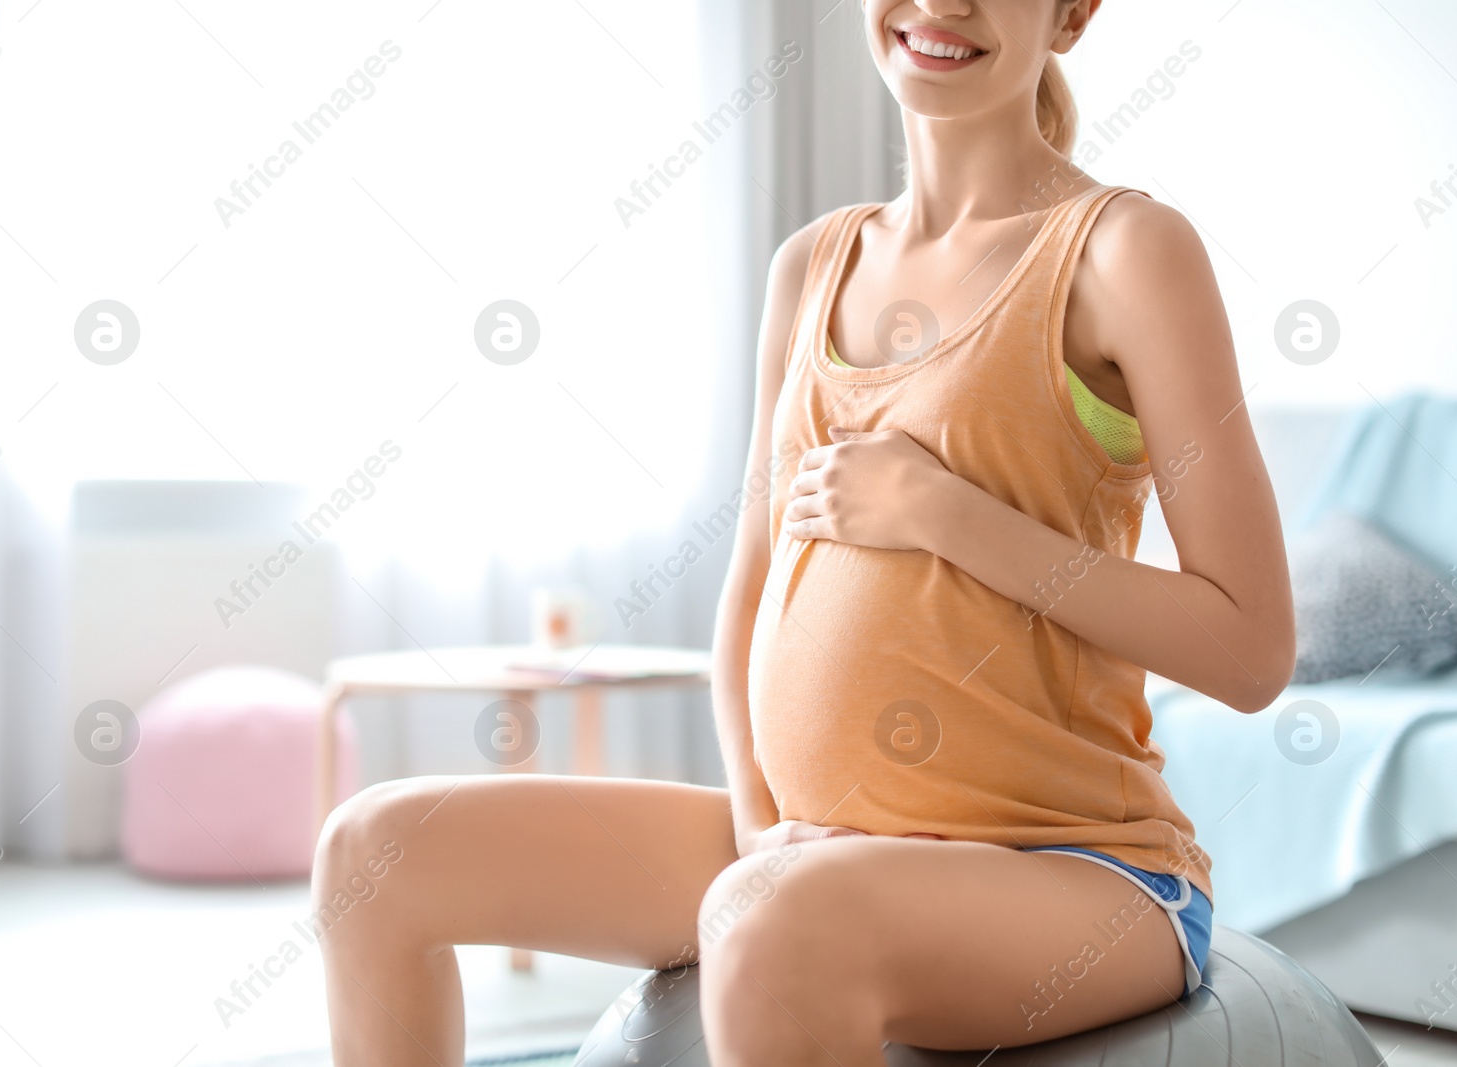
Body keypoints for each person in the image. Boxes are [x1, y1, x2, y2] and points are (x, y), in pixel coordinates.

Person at [311, 2, 1295, 1063]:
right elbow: (748, 596)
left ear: (1071, 14)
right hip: (806, 849)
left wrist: (947, 516)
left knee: (774, 922)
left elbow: (1249, 648)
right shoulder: (810, 264)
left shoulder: (1124, 251)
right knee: (373, 851)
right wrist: (755, 836)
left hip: (1076, 870)